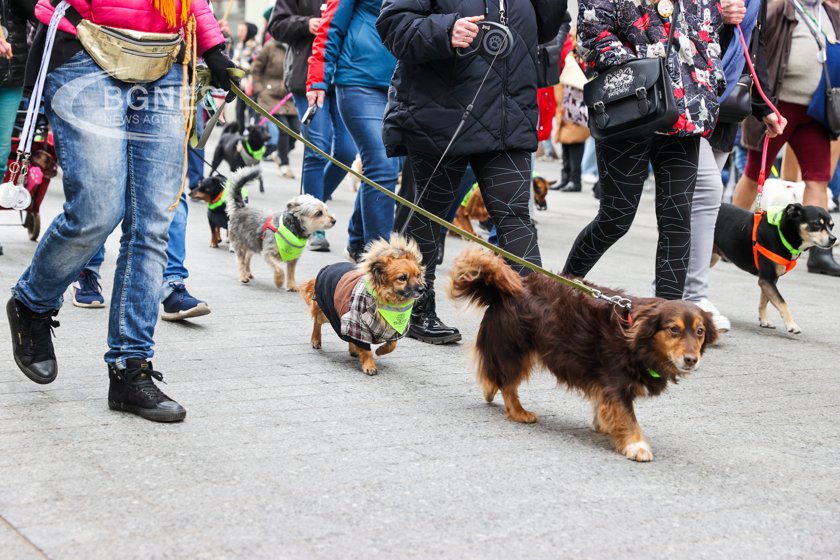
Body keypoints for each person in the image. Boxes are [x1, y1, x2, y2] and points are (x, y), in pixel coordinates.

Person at [6, 0, 237, 422]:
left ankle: (130, 369)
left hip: (164, 55)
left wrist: (213, 47)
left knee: (152, 224)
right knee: (97, 210)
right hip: (83, 47)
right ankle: (32, 302)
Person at [377, 0, 566, 344]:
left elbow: (549, 28)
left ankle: (538, 318)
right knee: (430, 214)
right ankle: (417, 309)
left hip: (510, 116)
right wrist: (446, 30)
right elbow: (393, 24)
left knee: (515, 216)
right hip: (442, 114)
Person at [563, 0, 725, 301]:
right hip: (630, 108)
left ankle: (668, 320)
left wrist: (708, 79)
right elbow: (591, 33)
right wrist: (648, 70)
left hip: (684, 114)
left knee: (678, 221)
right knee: (615, 218)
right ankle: (561, 289)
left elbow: (708, 35)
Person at [684, 0, 784, 333]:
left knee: (697, 202)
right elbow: (666, 18)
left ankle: (681, 293)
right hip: (687, 94)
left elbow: (756, 47)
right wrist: (715, 13)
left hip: (726, 104)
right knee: (708, 190)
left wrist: (763, 104)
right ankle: (694, 295)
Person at [734, 0, 840, 276]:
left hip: (816, 109)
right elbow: (757, 46)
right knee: (754, 171)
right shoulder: (779, 5)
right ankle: (730, 234)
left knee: (819, 177)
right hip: (778, 106)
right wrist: (761, 101)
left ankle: (820, 253)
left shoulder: (827, 11)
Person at [307, 0, 401, 262]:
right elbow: (331, 25)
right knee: (382, 163)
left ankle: (360, 240)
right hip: (360, 78)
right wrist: (318, 77)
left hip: (406, 84)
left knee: (389, 167)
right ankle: (381, 258)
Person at [269, 0, 355, 252]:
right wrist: (307, 24)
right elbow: (276, 26)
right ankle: (316, 227)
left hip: (345, 77)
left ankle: (310, 208)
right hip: (306, 77)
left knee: (347, 152)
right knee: (317, 148)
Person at [251, 37, 300, 179]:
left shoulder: (296, 46)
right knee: (283, 128)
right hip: (269, 96)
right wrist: (259, 89)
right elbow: (256, 69)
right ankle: (284, 164)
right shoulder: (270, 47)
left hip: (289, 97)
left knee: (296, 129)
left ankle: (279, 153)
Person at [232, 21, 260, 126]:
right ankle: (240, 135)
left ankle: (249, 135)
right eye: (239, 30)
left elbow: (255, 67)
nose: (239, 33)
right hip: (239, 85)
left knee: (251, 112)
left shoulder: (256, 46)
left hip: (250, 85)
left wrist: (238, 66)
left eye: (242, 31)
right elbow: (234, 62)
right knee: (239, 111)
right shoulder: (239, 45)